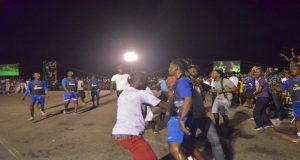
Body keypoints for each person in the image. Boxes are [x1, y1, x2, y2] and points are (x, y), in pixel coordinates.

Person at [112, 72, 172, 160]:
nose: (146, 86)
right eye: (146, 83)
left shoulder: (123, 93)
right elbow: (166, 106)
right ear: (140, 81)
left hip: (119, 134)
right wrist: (172, 96)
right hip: (131, 136)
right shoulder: (141, 93)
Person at [186, 65, 225, 160]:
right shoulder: (184, 83)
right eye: (192, 70)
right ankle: (192, 157)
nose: (195, 72)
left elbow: (213, 90)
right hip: (191, 119)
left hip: (203, 117)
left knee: (216, 141)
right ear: (187, 72)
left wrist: (201, 83)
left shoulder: (200, 84)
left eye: (196, 71)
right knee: (189, 144)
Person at [167, 59, 203, 160]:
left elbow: (188, 98)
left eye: (170, 67)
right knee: (189, 146)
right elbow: (179, 100)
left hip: (179, 117)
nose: (168, 69)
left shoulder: (182, 81)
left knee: (174, 149)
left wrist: (181, 119)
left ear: (176, 68)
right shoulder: (181, 81)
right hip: (180, 116)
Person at [272, 63, 300, 142]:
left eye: (294, 68)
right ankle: (299, 136)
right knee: (298, 119)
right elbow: (280, 89)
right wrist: (273, 85)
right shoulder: (289, 81)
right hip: (296, 103)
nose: (292, 70)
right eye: (291, 69)